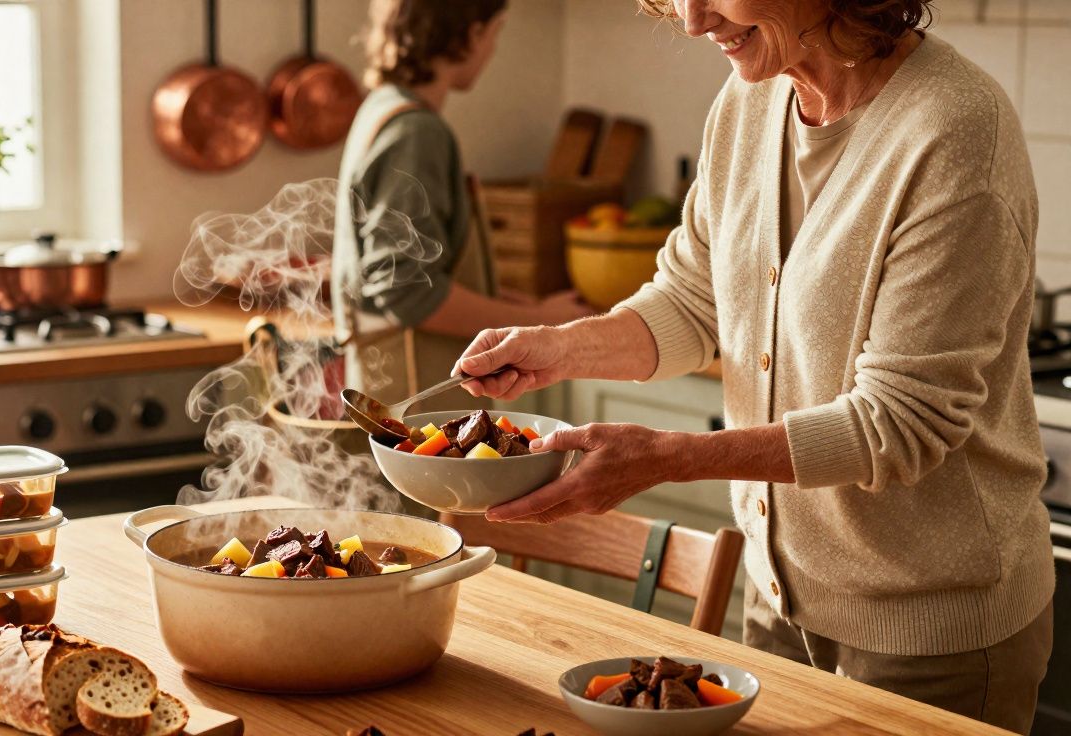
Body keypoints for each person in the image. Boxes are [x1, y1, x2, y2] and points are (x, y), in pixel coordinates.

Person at [454, 0, 1053, 732]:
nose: (691, 18)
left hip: (928, 637)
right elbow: (695, 301)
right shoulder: (750, 97)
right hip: (775, 609)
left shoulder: (954, 129)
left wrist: (670, 459)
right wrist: (561, 347)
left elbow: (902, 422)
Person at [332, 0, 591, 410]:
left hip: (386, 385)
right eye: (496, 31)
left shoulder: (381, 107)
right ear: (472, 33)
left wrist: (521, 306)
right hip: (418, 404)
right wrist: (542, 324)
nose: (491, 49)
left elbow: (418, 273)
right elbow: (408, 293)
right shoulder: (418, 132)